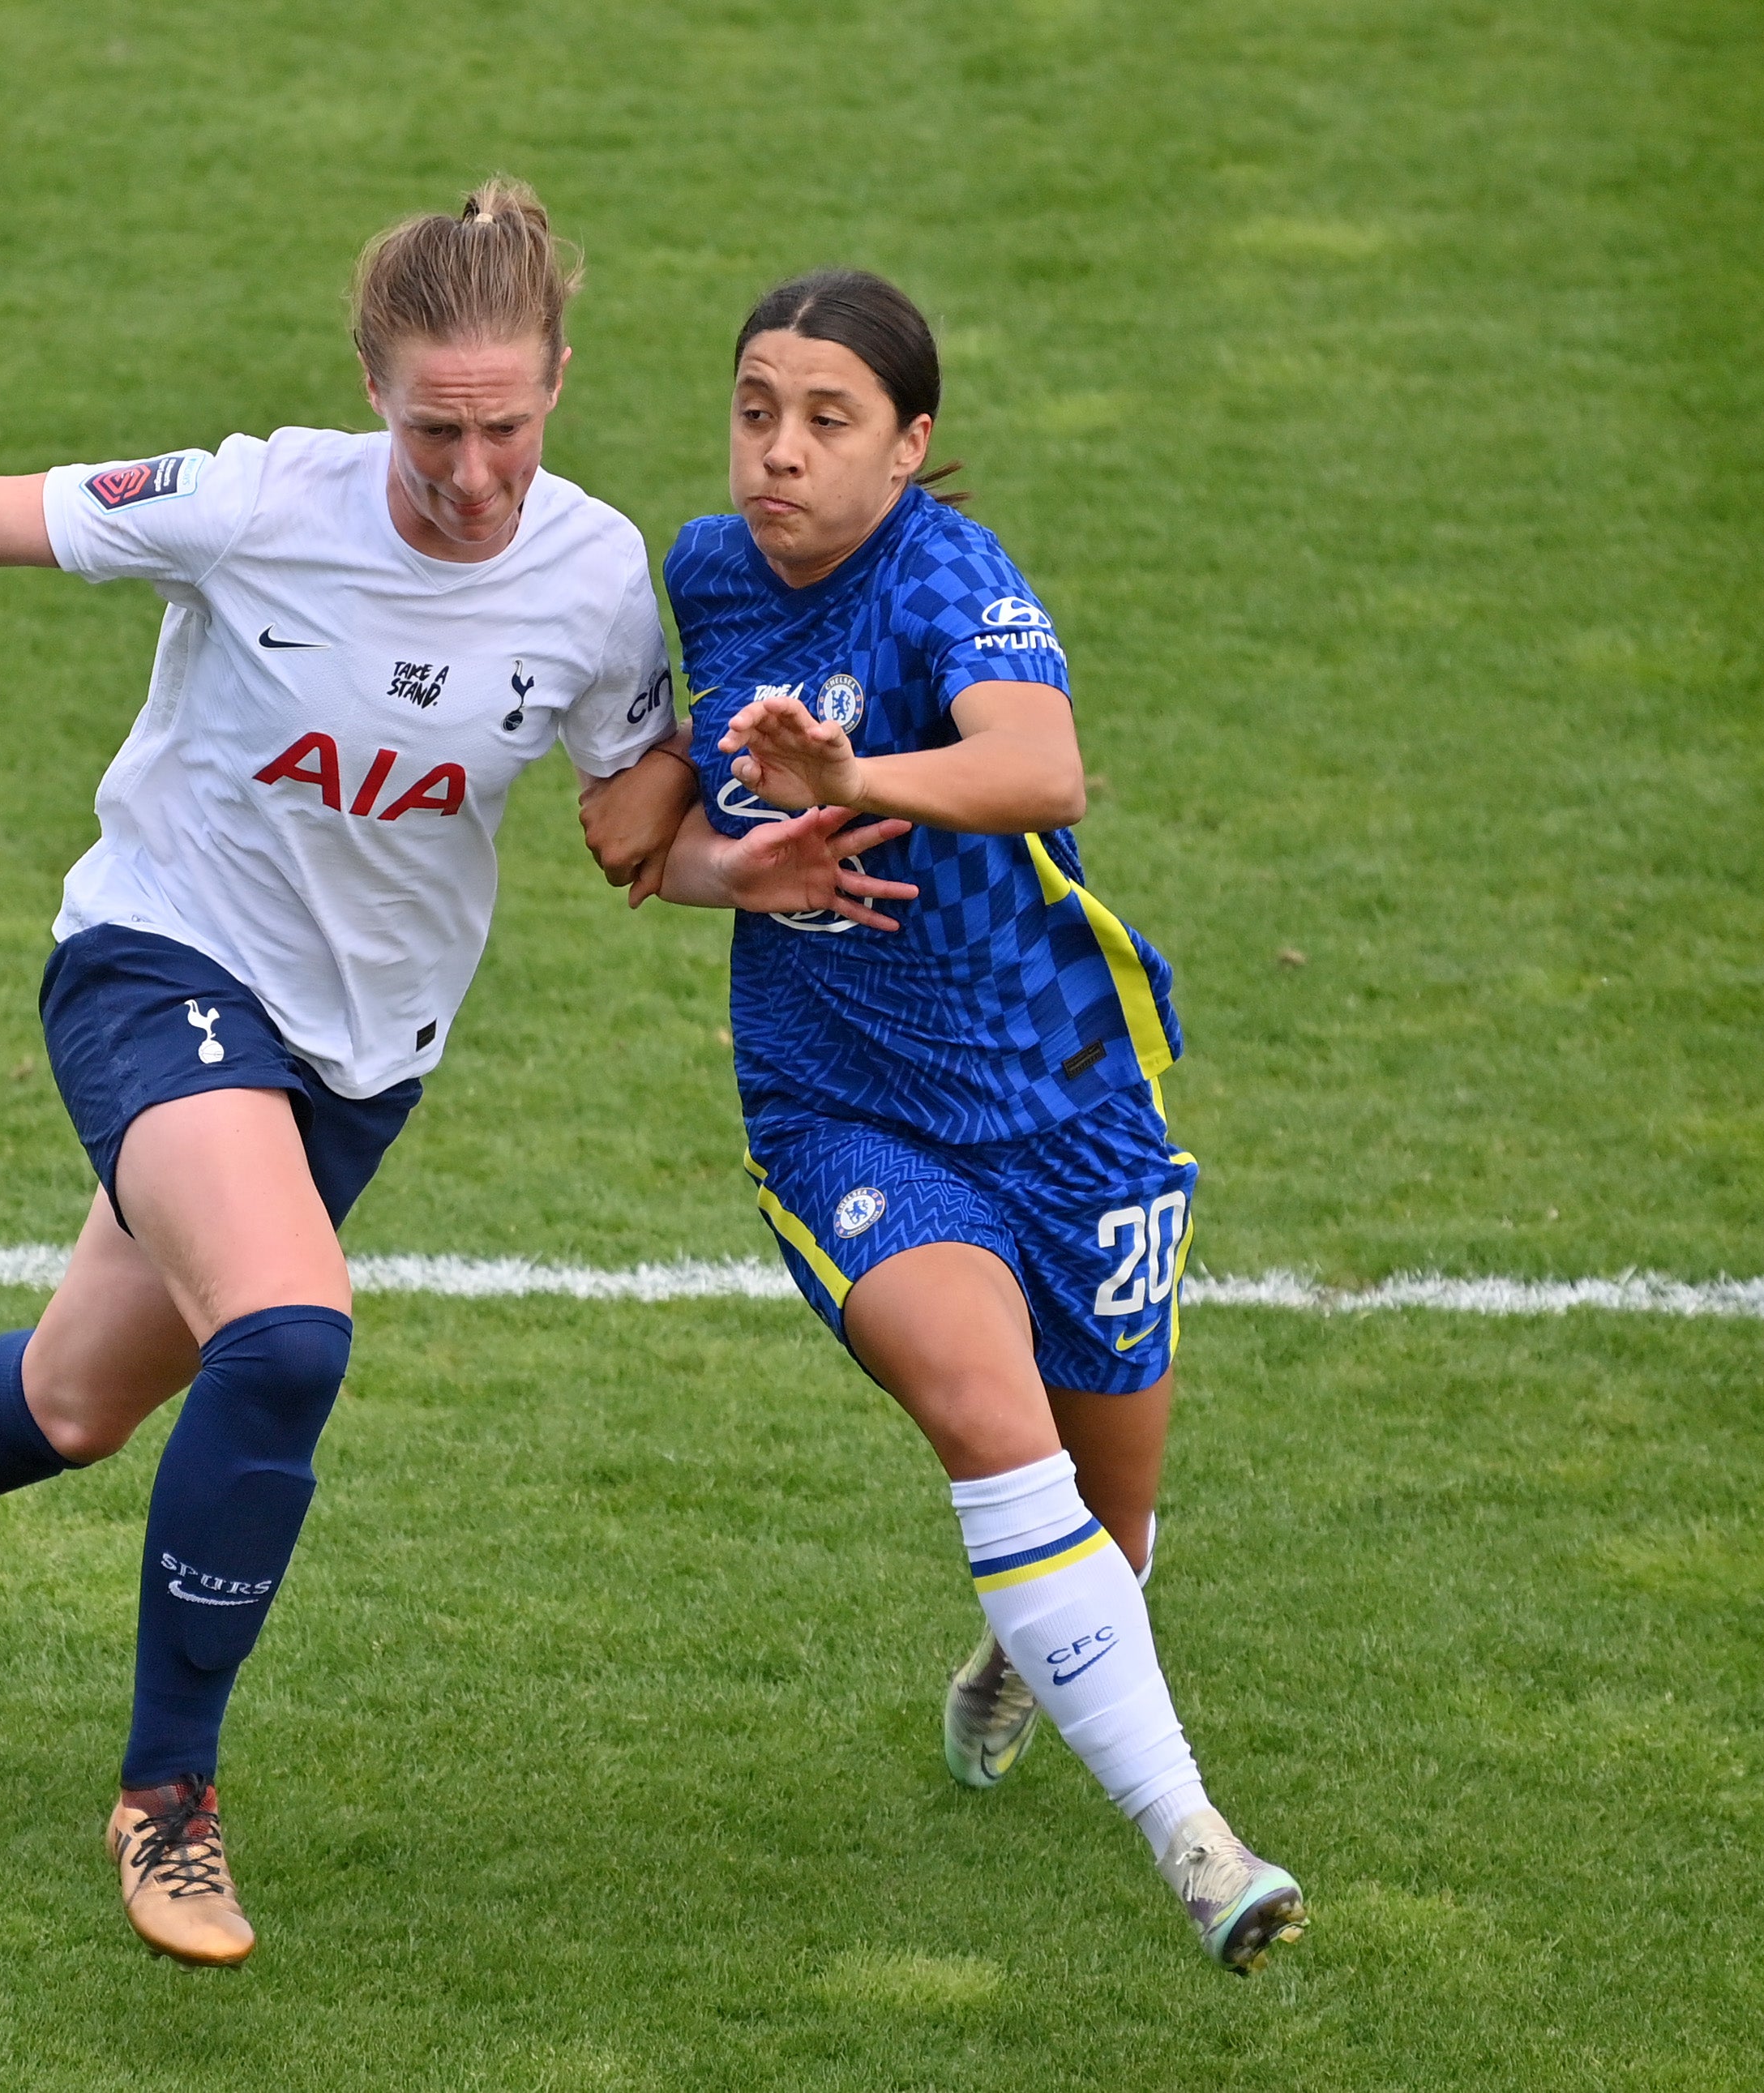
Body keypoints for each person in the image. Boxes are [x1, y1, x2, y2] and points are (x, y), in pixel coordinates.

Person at [0, 186, 909, 1967]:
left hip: (361, 1056)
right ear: (370, 387)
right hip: (157, 963)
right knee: (289, 1328)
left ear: (561, 382)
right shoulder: (259, 502)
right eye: (435, 428)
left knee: (74, 1405)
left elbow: (623, 829)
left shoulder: (590, 578)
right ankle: (167, 1799)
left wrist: (751, 859)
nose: (475, 470)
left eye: (508, 426)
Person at [641, 269, 1307, 1972]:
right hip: (842, 1106)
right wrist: (727, 855)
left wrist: (854, 784)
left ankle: (1039, 1640)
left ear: (910, 442)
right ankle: (1198, 1841)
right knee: (989, 1419)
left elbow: (1042, 769)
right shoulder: (702, 577)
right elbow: (643, 829)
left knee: (1111, 1511)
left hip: (1061, 1097)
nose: (777, 453)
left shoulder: (948, 575)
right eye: (754, 409)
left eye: (827, 420)